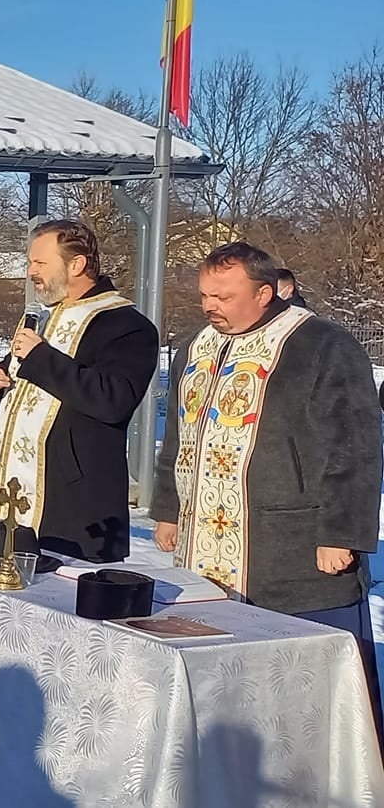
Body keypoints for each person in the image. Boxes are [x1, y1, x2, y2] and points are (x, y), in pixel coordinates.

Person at [153, 241, 384, 734]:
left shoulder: (321, 345)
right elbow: (179, 433)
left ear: (264, 293)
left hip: (294, 552)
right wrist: (169, 507)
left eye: (224, 296)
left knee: (308, 694)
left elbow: (354, 445)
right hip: (205, 544)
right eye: (205, 295)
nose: (210, 306)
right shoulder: (197, 346)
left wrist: (340, 533)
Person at [0, 219, 157, 563]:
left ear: (77, 264)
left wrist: (41, 358)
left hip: (74, 503)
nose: (31, 272)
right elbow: (19, 377)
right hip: (11, 490)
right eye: (30, 262)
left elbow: (113, 400)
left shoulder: (126, 325)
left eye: (40, 263)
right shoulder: (44, 317)